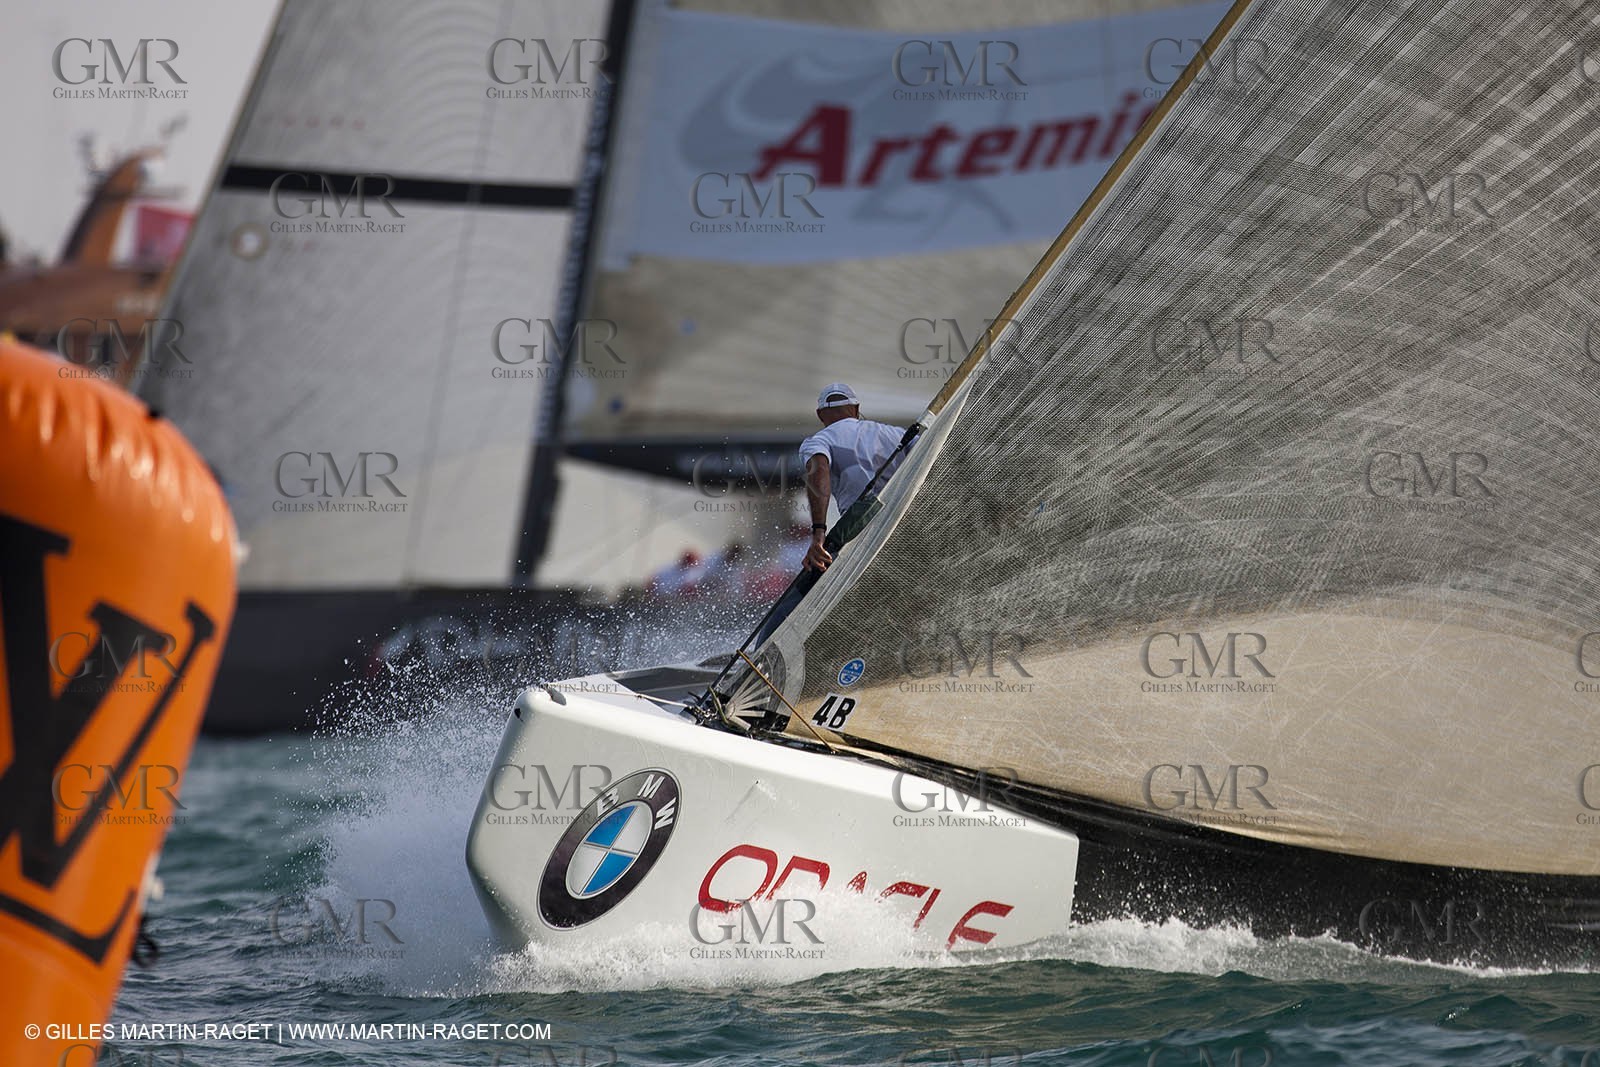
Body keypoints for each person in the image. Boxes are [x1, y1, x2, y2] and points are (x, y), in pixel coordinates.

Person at [798, 383, 904, 571]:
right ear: (856, 409)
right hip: (905, 520)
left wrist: (819, 532)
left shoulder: (819, 441)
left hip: (862, 532)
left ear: (820, 414)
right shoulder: (896, 434)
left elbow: (819, 470)